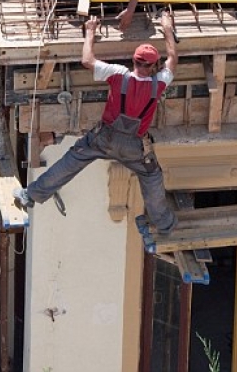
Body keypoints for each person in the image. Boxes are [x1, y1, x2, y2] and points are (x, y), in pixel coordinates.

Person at [14, 12, 179, 235]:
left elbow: (87, 61)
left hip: (104, 137)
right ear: (154, 66)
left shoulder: (119, 74)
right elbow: (172, 59)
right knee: (151, 177)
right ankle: (164, 224)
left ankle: (31, 195)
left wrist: (90, 30)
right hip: (134, 146)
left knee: (72, 161)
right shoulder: (158, 84)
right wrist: (167, 28)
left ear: (133, 61)